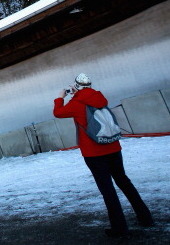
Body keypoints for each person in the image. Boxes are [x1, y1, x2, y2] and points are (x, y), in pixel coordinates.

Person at [53, 73, 154, 239]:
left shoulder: (77, 102)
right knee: (123, 181)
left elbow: (58, 112)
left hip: (94, 152)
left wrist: (60, 97)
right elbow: (88, 98)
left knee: (107, 189)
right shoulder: (99, 97)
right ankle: (145, 216)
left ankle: (119, 228)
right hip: (113, 147)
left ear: (75, 86)